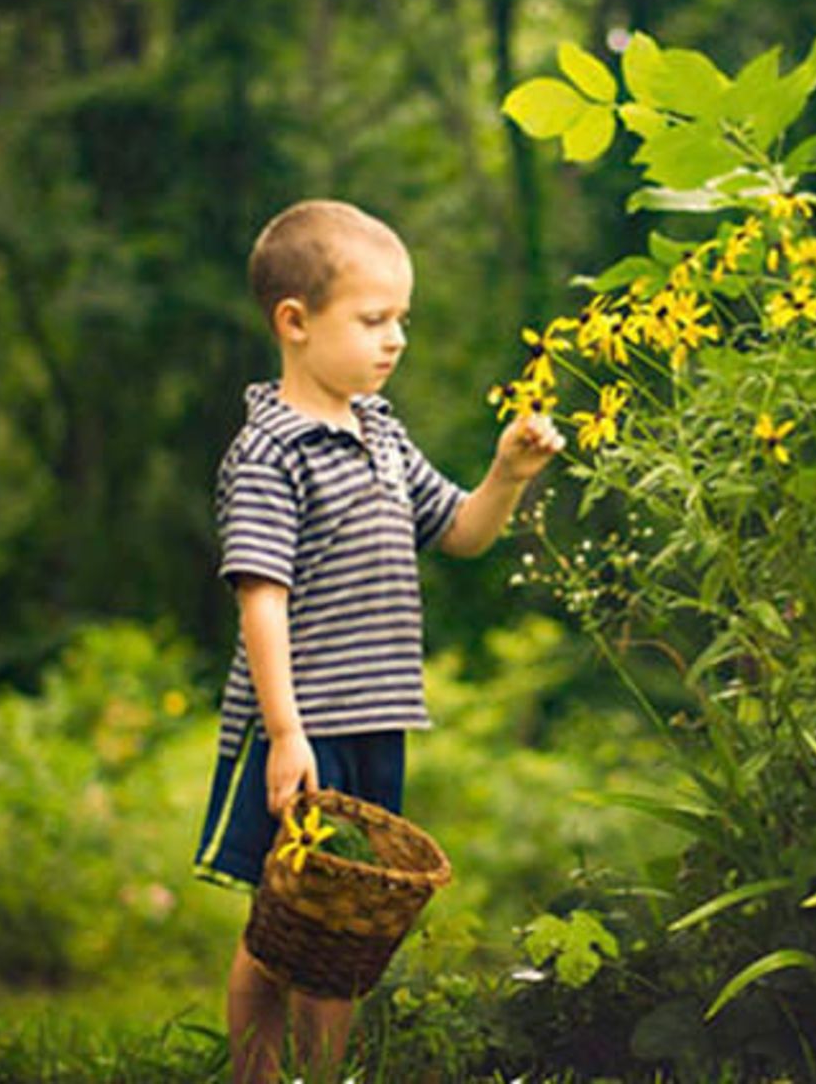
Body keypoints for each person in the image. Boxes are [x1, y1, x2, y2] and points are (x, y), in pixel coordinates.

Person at [191, 199, 563, 1083]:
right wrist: (285, 732)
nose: (395, 339)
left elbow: (464, 533)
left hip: (374, 720)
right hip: (301, 729)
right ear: (295, 322)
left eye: (402, 320)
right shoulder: (270, 453)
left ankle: (331, 1077)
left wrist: (506, 475)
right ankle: (253, 1074)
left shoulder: (385, 436)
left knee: (346, 927)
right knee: (280, 922)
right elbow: (261, 599)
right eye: (372, 320)